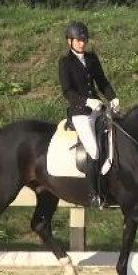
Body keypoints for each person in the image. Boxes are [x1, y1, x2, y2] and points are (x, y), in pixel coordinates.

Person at [58, 21, 120, 208]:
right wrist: (86, 101)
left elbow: (102, 81)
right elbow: (67, 91)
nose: (82, 43)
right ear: (70, 41)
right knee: (93, 150)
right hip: (80, 112)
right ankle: (93, 194)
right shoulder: (65, 62)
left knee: (114, 139)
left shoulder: (92, 58)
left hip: (98, 110)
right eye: (78, 40)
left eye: (84, 40)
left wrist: (113, 98)